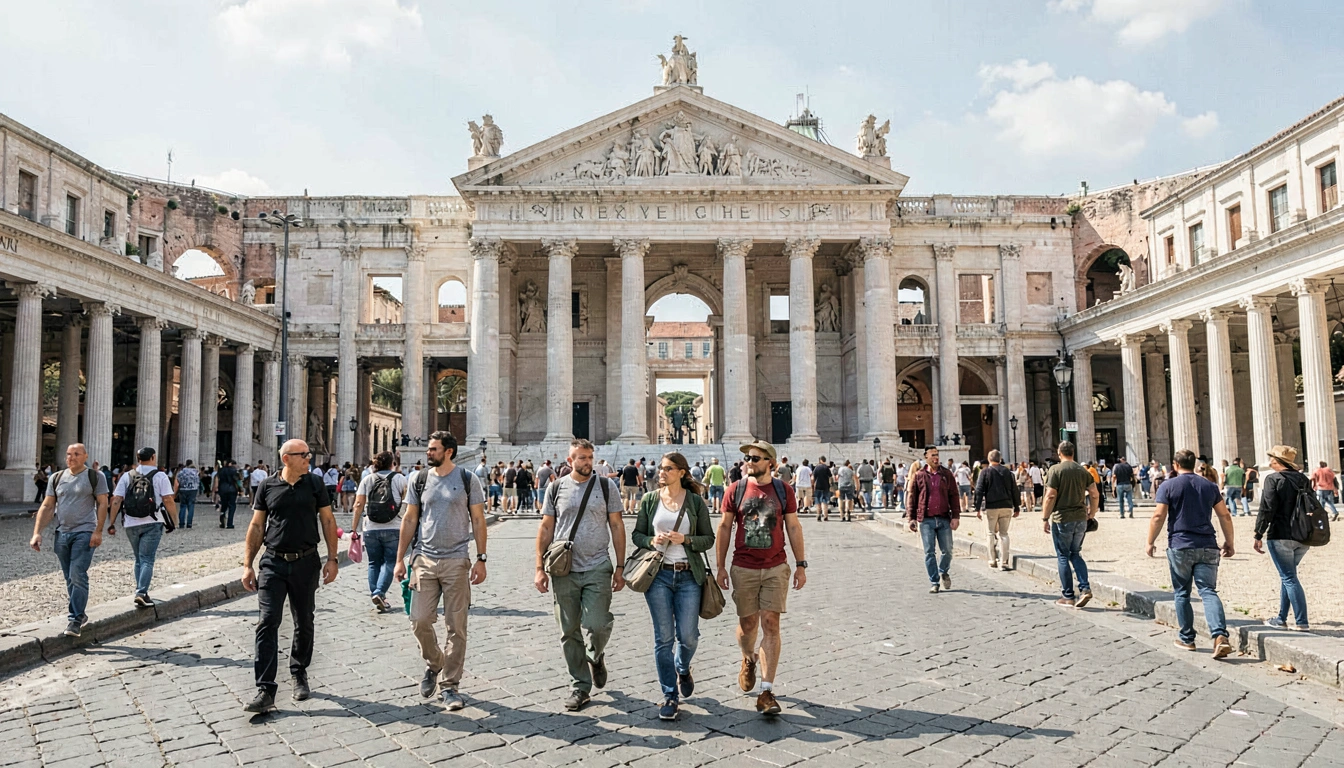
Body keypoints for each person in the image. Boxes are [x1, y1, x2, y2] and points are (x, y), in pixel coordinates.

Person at [240, 439, 340, 713]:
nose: (309, 458)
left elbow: (328, 520)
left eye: (308, 454)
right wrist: (247, 564)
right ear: (287, 459)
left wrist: (332, 558)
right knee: (267, 621)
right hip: (273, 562)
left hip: (306, 561)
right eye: (304, 454)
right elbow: (257, 524)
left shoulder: (315, 484)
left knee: (304, 621)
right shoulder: (267, 486)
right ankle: (265, 689)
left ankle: (299, 671)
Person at [393, 431, 488, 711]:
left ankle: (450, 686)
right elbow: (410, 518)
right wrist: (400, 558)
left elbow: (479, 520)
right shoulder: (418, 479)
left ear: (448, 451)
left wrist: (481, 558)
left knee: (456, 627)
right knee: (419, 620)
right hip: (424, 559)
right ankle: (435, 662)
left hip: (457, 560)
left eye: (433, 449)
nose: (427, 453)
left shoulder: (468, 480)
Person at [534, 439, 626, 711]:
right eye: (581, 458)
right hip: (564, 568)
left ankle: (595, 655)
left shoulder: (607, 487)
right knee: (568, 630)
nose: (587, 462)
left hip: (598, 566)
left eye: (590, 457)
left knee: (597, 623)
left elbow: (617, 526)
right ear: (569, 459)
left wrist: (620, 566)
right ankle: (580, 686)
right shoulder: (556, 488)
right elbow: (546, 527)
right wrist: (539, 567)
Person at [716, 440, 805, 716]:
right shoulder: (736, 489)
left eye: (755, 458)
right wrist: (720, 566)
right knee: (747, 625)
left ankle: (766, 691)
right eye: (748, 458)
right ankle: (748, 657)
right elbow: (724, 527)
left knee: (771, 623)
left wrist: (801, 564)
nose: (749, 462)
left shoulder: (784, 490)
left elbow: (793, 525)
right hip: (743, 567)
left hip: (776, 566)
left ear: (770, 463)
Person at [632, 452, 714, 721]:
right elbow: (637, 535)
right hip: (659, 577)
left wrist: (686, 540)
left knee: (688, 636)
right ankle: (669, 695)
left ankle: (682, 666)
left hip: (689, 576)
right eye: (661, 468)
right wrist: (650, 541)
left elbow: (708, 539)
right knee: (663, 638)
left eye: (667, 468)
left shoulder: (695, 502)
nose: (661, 472)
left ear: (681, 472)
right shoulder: (649, 499)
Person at [1146, 449, 1235, 657]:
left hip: (1180, 544)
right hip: (1207, 544)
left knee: (1182, 592)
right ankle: (1219, 635)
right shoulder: (1209, 485)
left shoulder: (1168, 485)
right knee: (1208, 591)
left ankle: (1187, 639)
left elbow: (1158, 516)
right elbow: (1225, 515)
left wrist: (1150, 542)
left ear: (1175, 465)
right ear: (1194, 463)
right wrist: (1229, 542)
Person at [29, 444, 110, 638]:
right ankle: (79, 613)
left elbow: (103, 503)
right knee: (69, 577)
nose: (71, 457)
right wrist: (37, 532)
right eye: (68, 454)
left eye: (76, 454)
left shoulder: (95, 477)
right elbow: (47, 506)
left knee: (77, 573)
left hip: (85, 531)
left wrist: (98, 531)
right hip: (62, 533)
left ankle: (75, 619)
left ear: (85, 456)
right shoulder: (56, 478)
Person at [108, 447, 178, 608]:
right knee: (147, 559)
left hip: (131, 522)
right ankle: (141, 593)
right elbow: (168, 499)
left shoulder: (127, 476)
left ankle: (141, 591)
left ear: (138, 458)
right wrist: (174, 520)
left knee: (139, 558)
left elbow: (117, 499)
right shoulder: (160, 476)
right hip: (153, 521)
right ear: (153, 457)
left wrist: (111, 522)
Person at [1255, 445, 1313, 631]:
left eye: (1272, 458)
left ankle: (1302, 621)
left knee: (1289, 578)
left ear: (1278, 462)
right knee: (1288, 576)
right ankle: (1281, 618)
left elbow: (1267, 508)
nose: (1270, 461)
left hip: (1280, 534)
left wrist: (1258, 533)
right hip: (1303, 535)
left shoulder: (1273, 479)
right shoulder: (1303, 479)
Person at [1041, 441, 1098, 608]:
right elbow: (1094, 494)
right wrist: (1092, 513)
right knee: (1076, 553)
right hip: (1081, 518)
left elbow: (1050, 496)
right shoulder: (1083, 471)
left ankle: (1068, 596)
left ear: (1059, 453)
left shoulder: (1055, 470)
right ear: (1073, 453)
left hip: (1062, 518)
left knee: (1063, 555)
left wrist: (1045, 518)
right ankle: (1085, 587)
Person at [352, 451, 408, 612]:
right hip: (394, 527)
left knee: (373, 563)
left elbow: (358, 505)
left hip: (370, 527)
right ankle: (380, 592)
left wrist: (354, 528)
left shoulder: (367, 479)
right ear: (393, 464)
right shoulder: (400, 479)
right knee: (391, 562)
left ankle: (376, 595)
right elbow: (407, 504)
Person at [907, 447, 960, 592]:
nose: (936, 458)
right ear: (926, 457)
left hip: (943, 518)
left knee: (948, 550)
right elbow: (912, 497)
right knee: (929, 552)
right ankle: (934, 582)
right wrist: (911, 518)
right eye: (933, 455)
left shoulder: (946, 474)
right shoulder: (919, 475)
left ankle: (943, 570)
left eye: (937, 455)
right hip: (926, 519)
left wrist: (956, 516)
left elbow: (954, 495)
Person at [974, 450, 1019, 570]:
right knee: (1004, 534)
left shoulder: (985, 472)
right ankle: (1004, 562)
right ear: (1000, 459)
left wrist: (977, 508)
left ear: (989, 459)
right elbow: (1015, 490)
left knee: (990, 533)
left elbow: (979, 490)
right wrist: (1017, 506)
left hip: (991, 506)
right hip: (1006, 505)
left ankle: (992, 560)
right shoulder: (1008, 473)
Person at [214, 459, 242, 529]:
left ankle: (222, 519)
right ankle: (230, 523)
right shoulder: (234, 471)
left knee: (224, 505)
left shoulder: (221, 471)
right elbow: (238, 480)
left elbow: (217, 479)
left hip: (223, 489)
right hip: (232, 489)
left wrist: (216, 489)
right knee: (232, 506)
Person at [174, 460, 200, 529]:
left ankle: (181, 523)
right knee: (191, 506)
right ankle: (189, 523)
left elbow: (177, 482)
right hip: (193, 490)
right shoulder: (195, 472)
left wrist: (175, 492)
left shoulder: (181, 472)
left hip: (183, 489)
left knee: (183, 506)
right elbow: (198, 481)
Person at [811, 456, 833, 521]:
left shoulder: (817, 467)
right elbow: (830, 476)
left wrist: (813, 485)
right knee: (825, 501)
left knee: (818, 501)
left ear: (820, 460)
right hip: (825, 486)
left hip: (818, 486)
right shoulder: (826, 467)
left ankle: (818, 514)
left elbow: (813, 477)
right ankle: (825, 515)